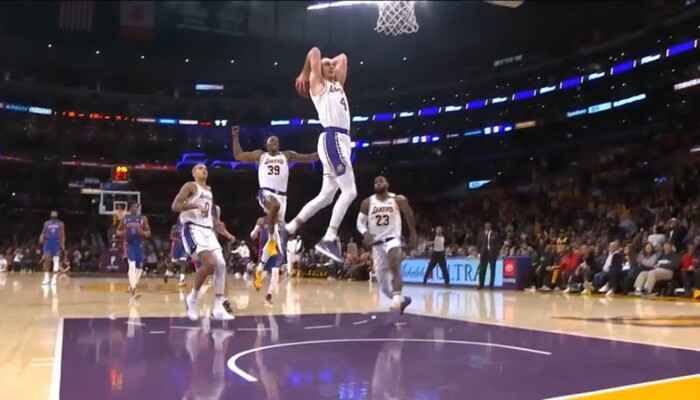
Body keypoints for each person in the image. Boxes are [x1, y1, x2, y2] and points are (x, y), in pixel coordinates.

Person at [289, 46, 356, 263]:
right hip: (332, 137)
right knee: (350, 191)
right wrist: (305, 71)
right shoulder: (318, 85)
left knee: (327, 196)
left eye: (331, 65)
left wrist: (332, 64)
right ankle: (329, 237)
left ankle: (290, 227)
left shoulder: (338, 85)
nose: (330, 66)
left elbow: (343, 57)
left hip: (343, 141)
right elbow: (315, 51)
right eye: (325, 64)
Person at [232, 125, 317, 290]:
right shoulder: (260, 155)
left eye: (276, 142)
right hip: (265, 193)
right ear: (266, 145)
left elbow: (309, 157)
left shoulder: (287, 155)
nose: (274, 143)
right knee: (274, 207)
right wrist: (235, 137)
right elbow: (238, 155)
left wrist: (326, 150)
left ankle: (260, 267)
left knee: (278, 234)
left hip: (282, 196)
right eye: (271, 142)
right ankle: (270, 237)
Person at [171, 164, 234, 321]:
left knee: (221, 264)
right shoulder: (190, 186)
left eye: (205, 168)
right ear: (193, 173)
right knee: (209, 263)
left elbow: (208, 217)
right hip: (192, 229)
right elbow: (175, 206)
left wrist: (225, 232)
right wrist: (194, 204)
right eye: (199, 168)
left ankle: (218, 308)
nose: (203, 170)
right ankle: (192, 298)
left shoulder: (209, 191)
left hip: (207, 230)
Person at [356, 176, 416, 313]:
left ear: (387, 184)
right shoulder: (367, 202)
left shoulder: (398, 199)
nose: (378, 183)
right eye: (375, 182)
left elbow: (409, 214)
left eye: (381, 181)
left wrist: (413, 233)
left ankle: (396, 300)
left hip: (393, 239)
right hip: (376, 244)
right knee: (383, 286)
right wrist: (365, 233)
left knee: (394, 263)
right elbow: (359, 222)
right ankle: (401, 301)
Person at [117, 202, 151, 300]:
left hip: (139, 245)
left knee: (139, 269)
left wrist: (143, 233)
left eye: (136, 207)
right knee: (131, 266)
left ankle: (132, 285)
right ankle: (133, 290)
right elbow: (117, 231)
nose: (135, 208)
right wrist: (122, 232)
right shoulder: (125, 218)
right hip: (129, 245)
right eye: (133, 207)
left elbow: (149, 233)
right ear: (129, 208)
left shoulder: (143, 218)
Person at [251, 215, 283, 305]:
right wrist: (254, 234)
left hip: (275, 248)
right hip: (264, 248)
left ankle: (270, 294)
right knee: (262, 269)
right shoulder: (261, 220)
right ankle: (258, 278)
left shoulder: (280, 222)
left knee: (275, 270)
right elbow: (253, 233)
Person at [39, 210, 65, 286]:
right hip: (48, 242)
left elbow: (63, 234)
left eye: (55, 213)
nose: (54, 214)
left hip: (56, 242)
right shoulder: (46, 223)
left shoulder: (61, 223)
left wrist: (62, 244)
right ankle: (46, 278)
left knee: (56, 260)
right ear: (50, 215)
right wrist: (41, 236)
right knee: (47, 259)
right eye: (52, 213)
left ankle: (54, 278)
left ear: (57, 215)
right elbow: (43, 232)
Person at [477, 222, 500, 290]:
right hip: (483, 254)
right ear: (484, 226)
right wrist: (478, 252)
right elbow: (478, 244)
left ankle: (491, 285)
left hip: (492, 254)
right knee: (482, 270)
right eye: (486, 225)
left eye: (488, 225)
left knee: (492, 270)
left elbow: (497, 245)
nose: (487, 226)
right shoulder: (481, 234)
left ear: (491, 226)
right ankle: (481, 284)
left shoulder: (495, 234)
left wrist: (497, 254)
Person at [169, 221, 188, 286]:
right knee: (173, 262)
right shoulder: (174, 227)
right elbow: (171, 237)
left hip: (184, 247)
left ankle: (182, 279)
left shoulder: (188, 226)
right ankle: (168, 273)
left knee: (183, 262)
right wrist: (178, 240)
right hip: (176, 246)